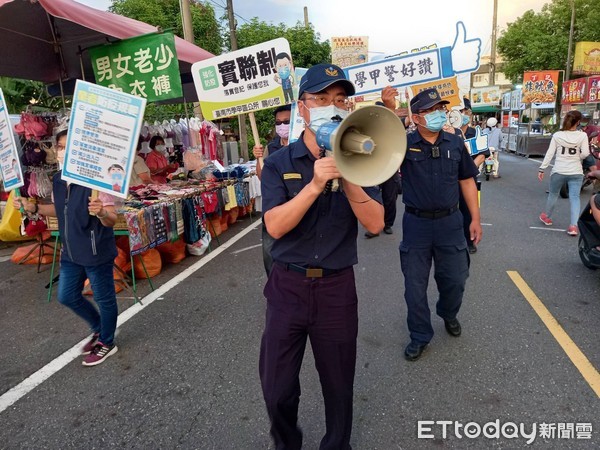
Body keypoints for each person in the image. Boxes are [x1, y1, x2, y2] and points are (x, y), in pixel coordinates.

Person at [259, 63, 384, 448]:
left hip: (336, 289)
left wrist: (346, 176)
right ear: (303, 107)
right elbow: (275, 226)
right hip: (287, 286)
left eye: (340, 100)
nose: (332, 106)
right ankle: (287, 442)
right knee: (276, 387)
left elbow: (376, 223)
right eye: (321, 99)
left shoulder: (362, 161)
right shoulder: (279, 163)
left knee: (338, 386)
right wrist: (314, 184)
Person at [381, 86, 482, 362]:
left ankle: (448, 313)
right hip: (417, 225)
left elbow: (466, 180)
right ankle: (420, 335)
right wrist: (389, 108)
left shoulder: (454, 143)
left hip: (451, 222)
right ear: (416, 117)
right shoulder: (404, 143)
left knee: (455, 279)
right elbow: (383, 145)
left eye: (441, 109)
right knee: (414, 287)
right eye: (431, 110)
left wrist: (475, 218)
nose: (439, 114)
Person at [13, 128, 120, 366]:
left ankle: (107, 341)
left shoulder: (97, 180)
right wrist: (35, 208)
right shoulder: (58, 179)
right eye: (60, 147)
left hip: (95, 251)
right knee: (67, 296)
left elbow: (111, 218)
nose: (62, 151)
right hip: (71, 252)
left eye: (67, 146)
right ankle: (98, 328)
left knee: (105, 299)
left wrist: (102, 212)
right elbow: (59, 209)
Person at [253, 104, 292, 275]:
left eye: (287, 121)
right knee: (270, 254)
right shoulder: (272, 147)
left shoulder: (305, 144)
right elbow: (262, 176)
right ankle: (275, 286)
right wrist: (258, 158)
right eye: (278, 122)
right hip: (275, 207)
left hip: (299, 206)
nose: (282, 126)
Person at [538, 110, 590, 236]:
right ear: (578, 122)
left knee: (553, 194)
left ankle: (547, 217)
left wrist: (542, 168)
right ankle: (573, 226)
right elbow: (586, 153)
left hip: (559, 170)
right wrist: (579, 157)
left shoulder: (558, 135)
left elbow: (550, 153)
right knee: (575, 198)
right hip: (576, 171)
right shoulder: (582, 135)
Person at [458, 97, 489, 254]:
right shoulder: (450, 133)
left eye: (465, 111)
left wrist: (466, 170)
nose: (462, 114)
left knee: (469, 210)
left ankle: (469, 241)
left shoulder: (475, 133)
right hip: (450, 181)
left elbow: (483, 155)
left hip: (469, 179)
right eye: (459, 111)